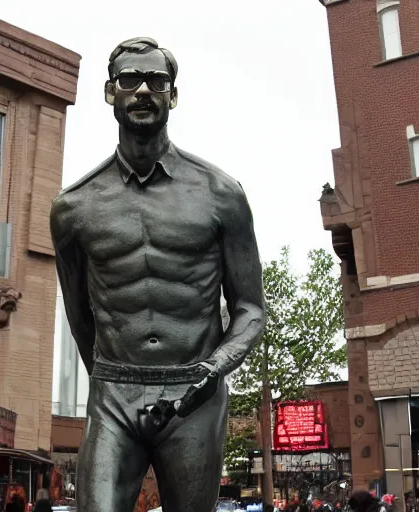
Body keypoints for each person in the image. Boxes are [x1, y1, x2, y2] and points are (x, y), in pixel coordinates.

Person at [50, 37, 265, 512]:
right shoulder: (72, 208)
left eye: (157, 81)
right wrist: (113, 379)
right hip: (114, 395)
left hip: (195, 391)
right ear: (111, 93)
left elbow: (250, 309)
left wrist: (212, 370)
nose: (143, 90)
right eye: (130, 80)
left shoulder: (221, 194)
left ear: (173, 94)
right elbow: (79, 316)